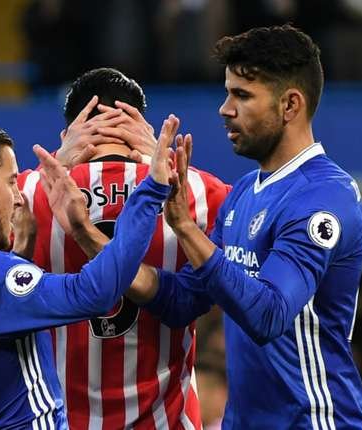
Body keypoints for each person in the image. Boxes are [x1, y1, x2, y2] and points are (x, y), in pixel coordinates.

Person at [109, 24, 362, 428]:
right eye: (228, 92)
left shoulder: (324, 198)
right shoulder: (246, 191)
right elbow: (184, 299)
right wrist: (93, 242)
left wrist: (187, 229)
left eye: (242, 95)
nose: (225, 108)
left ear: (290, 105)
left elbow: (269, 315)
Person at [0, 118, 181, 429]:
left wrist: (21, 254)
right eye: (11, 182)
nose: (19, 196)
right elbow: (95, 292)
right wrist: (152, 189)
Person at [18, 67, 230, 429]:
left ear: (69, 133)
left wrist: (55, 160)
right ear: (142, 129)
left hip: (61, 420)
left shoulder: (27, 194)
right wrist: (164, 163)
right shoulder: (199, 193)